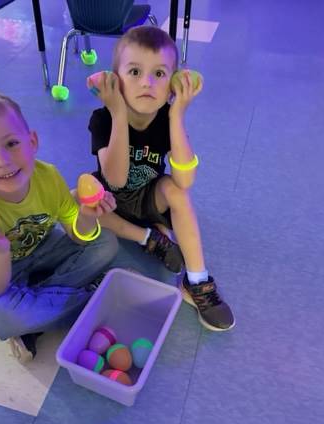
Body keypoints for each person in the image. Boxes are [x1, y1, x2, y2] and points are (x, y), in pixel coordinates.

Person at [0, 91, 118, 364]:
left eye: (12, 143)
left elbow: (79, 237)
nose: (2, 161)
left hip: (43, 245)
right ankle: (89, 298)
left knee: (105, 244)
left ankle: (35, 316)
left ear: (33, 142)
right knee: (1, 319)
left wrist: (88, 214)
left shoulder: (49, 177)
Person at [87, 26, 234, 331]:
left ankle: (196, 281)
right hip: (112, 203)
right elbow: (114, 179)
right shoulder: (103, 117)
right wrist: (117, 114)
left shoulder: (168, 118)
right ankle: (148, 238)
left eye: (159, 74)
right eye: (135, 71)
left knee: (177, 191)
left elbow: (186, 179)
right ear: (116, 80)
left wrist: (177, 114)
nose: (146, 83)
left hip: (148, 197)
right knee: (79, 198)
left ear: (172, 84)